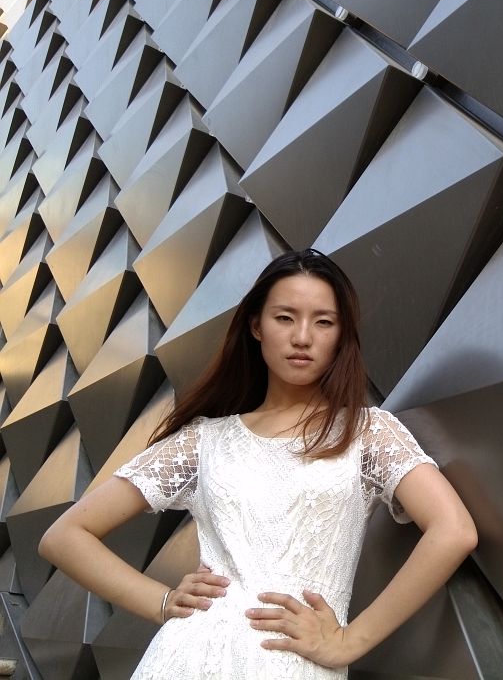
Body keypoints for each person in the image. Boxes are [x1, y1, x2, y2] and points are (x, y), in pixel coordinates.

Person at [39, 248, 477, 678]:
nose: (302, 337)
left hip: (297, 664)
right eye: (284, 318)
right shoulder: (204, 441)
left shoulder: (367, 432)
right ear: (256, 326)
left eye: (323, 322)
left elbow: (454, 530)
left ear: (341, 335)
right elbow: (64, 536)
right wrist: (161, 600)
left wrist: (351, 641)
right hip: (188, 658)